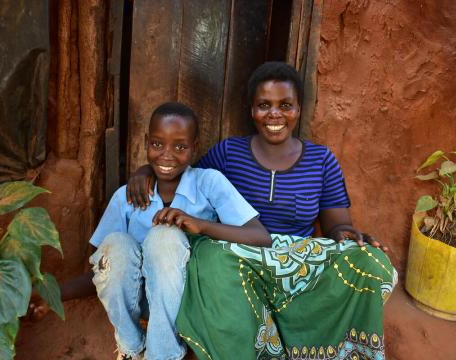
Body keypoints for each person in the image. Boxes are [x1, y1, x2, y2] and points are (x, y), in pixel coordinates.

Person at [127, 62, 397, 359]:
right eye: (264, 105)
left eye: (285, 105)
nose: (274, 114)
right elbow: (181, 173)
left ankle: (325, 348)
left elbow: (337, 227)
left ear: (298, 109)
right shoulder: (228, 153)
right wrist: (144, 170)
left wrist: (344, 233)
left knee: (372, 262)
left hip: (295, 262)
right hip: (236, 259)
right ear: (252, 110)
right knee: (211, 257)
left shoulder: (321, 161)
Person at [29, 102, 271, 360]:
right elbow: (104, 270)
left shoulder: (208, 183)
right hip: (141, 305)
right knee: (116, 244)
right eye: (157, 144)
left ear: (195, 147)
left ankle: (162, 354)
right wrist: (51, 295)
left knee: (164, 236)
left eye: (180, 147)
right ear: (146, 142)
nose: (167, 155)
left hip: (190, 303)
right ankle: (132, 349)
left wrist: (201, 226)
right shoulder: (126, 197)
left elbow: (261, 238)